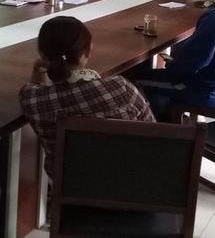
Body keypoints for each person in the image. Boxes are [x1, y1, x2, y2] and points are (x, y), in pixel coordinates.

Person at [19, 17, 155, 177]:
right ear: (88, 51)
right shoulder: (120, 88)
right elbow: (154, 133)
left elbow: (34, 88)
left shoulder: (32, 100)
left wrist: (38, 70)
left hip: (71, 185)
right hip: (135, 181)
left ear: (42, 54)